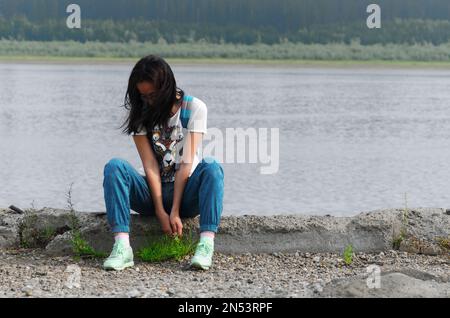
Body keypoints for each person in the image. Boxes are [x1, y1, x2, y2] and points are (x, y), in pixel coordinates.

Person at [102, 55, 224, 271]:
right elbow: (149, 164)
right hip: (151, 192)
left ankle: (205, 245)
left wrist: (175, 210)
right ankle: (122, 248)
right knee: (115, 167)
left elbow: (186, 163)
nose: (149, 101)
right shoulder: (141, 112)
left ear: (166, 86)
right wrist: (160, 210)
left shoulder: (194, 108)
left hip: (186, 193)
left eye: (153, 95)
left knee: (212, 167)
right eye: (144, 96)